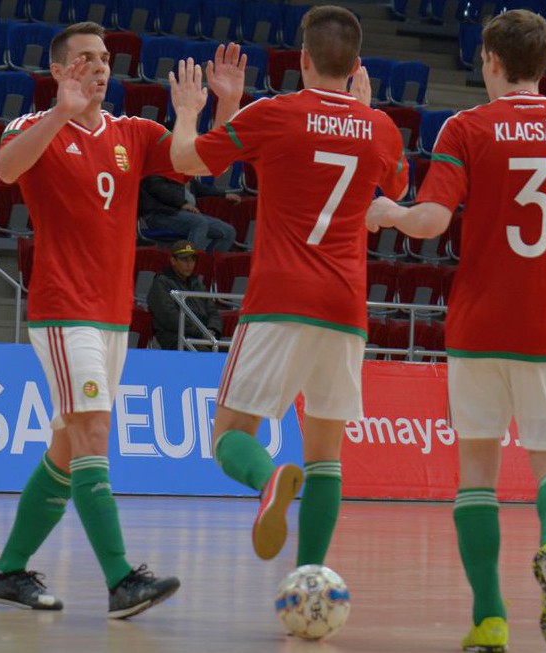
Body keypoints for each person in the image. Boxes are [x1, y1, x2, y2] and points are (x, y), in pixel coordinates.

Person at [365, 9, 546, 652]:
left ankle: (489, 619)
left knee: (476, 475)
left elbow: (429, 221)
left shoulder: (466, 127)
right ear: (543, 62)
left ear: (489, 61)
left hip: (479, 324)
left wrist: (387, 211)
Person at [0, 23, 243, 619]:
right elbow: (5, 170)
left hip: (111, 316)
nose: (100, 68)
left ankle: (8, 572)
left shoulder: (131, 132)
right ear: (59, 72)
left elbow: (197, 161)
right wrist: (60, 113)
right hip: (62, 309)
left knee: (69, 452)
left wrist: (221, 106)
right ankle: (122, 579)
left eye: (104, 59)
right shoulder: (35, 128)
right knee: (95, 432)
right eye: (84, 61)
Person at [169, 6, 408, 570]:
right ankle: (312, 578)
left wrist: (188, 112)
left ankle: (270, 477)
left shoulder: (277, 114)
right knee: (327, 457)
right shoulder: (381, 129)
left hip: (279, 299)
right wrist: (365, 114)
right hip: (346, 306)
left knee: (228, 437)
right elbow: (395, 187)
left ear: (302, 60)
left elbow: (187, 161)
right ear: (355, 66)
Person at [147, 239, 223, 350]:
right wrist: (200, 332)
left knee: (234, 352)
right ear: (173, 261)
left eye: (192, 259)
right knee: (203, 353)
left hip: (202, 336)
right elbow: (169, 317)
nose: (189, 264)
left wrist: (213, 330)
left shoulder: (197, 282)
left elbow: (213, 311)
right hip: (175, 337)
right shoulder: (161, 282)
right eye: (184, 260)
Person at [139, 174, 238, 253]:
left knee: (228, 231)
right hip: (160, 214)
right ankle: (189, 267)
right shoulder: (158, 168)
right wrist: (181, 203)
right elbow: (158, 189)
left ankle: (207, 270)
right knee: (199, 223)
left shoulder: (182, 170)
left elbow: (199, 187)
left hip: (185, 214)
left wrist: (224, 194)